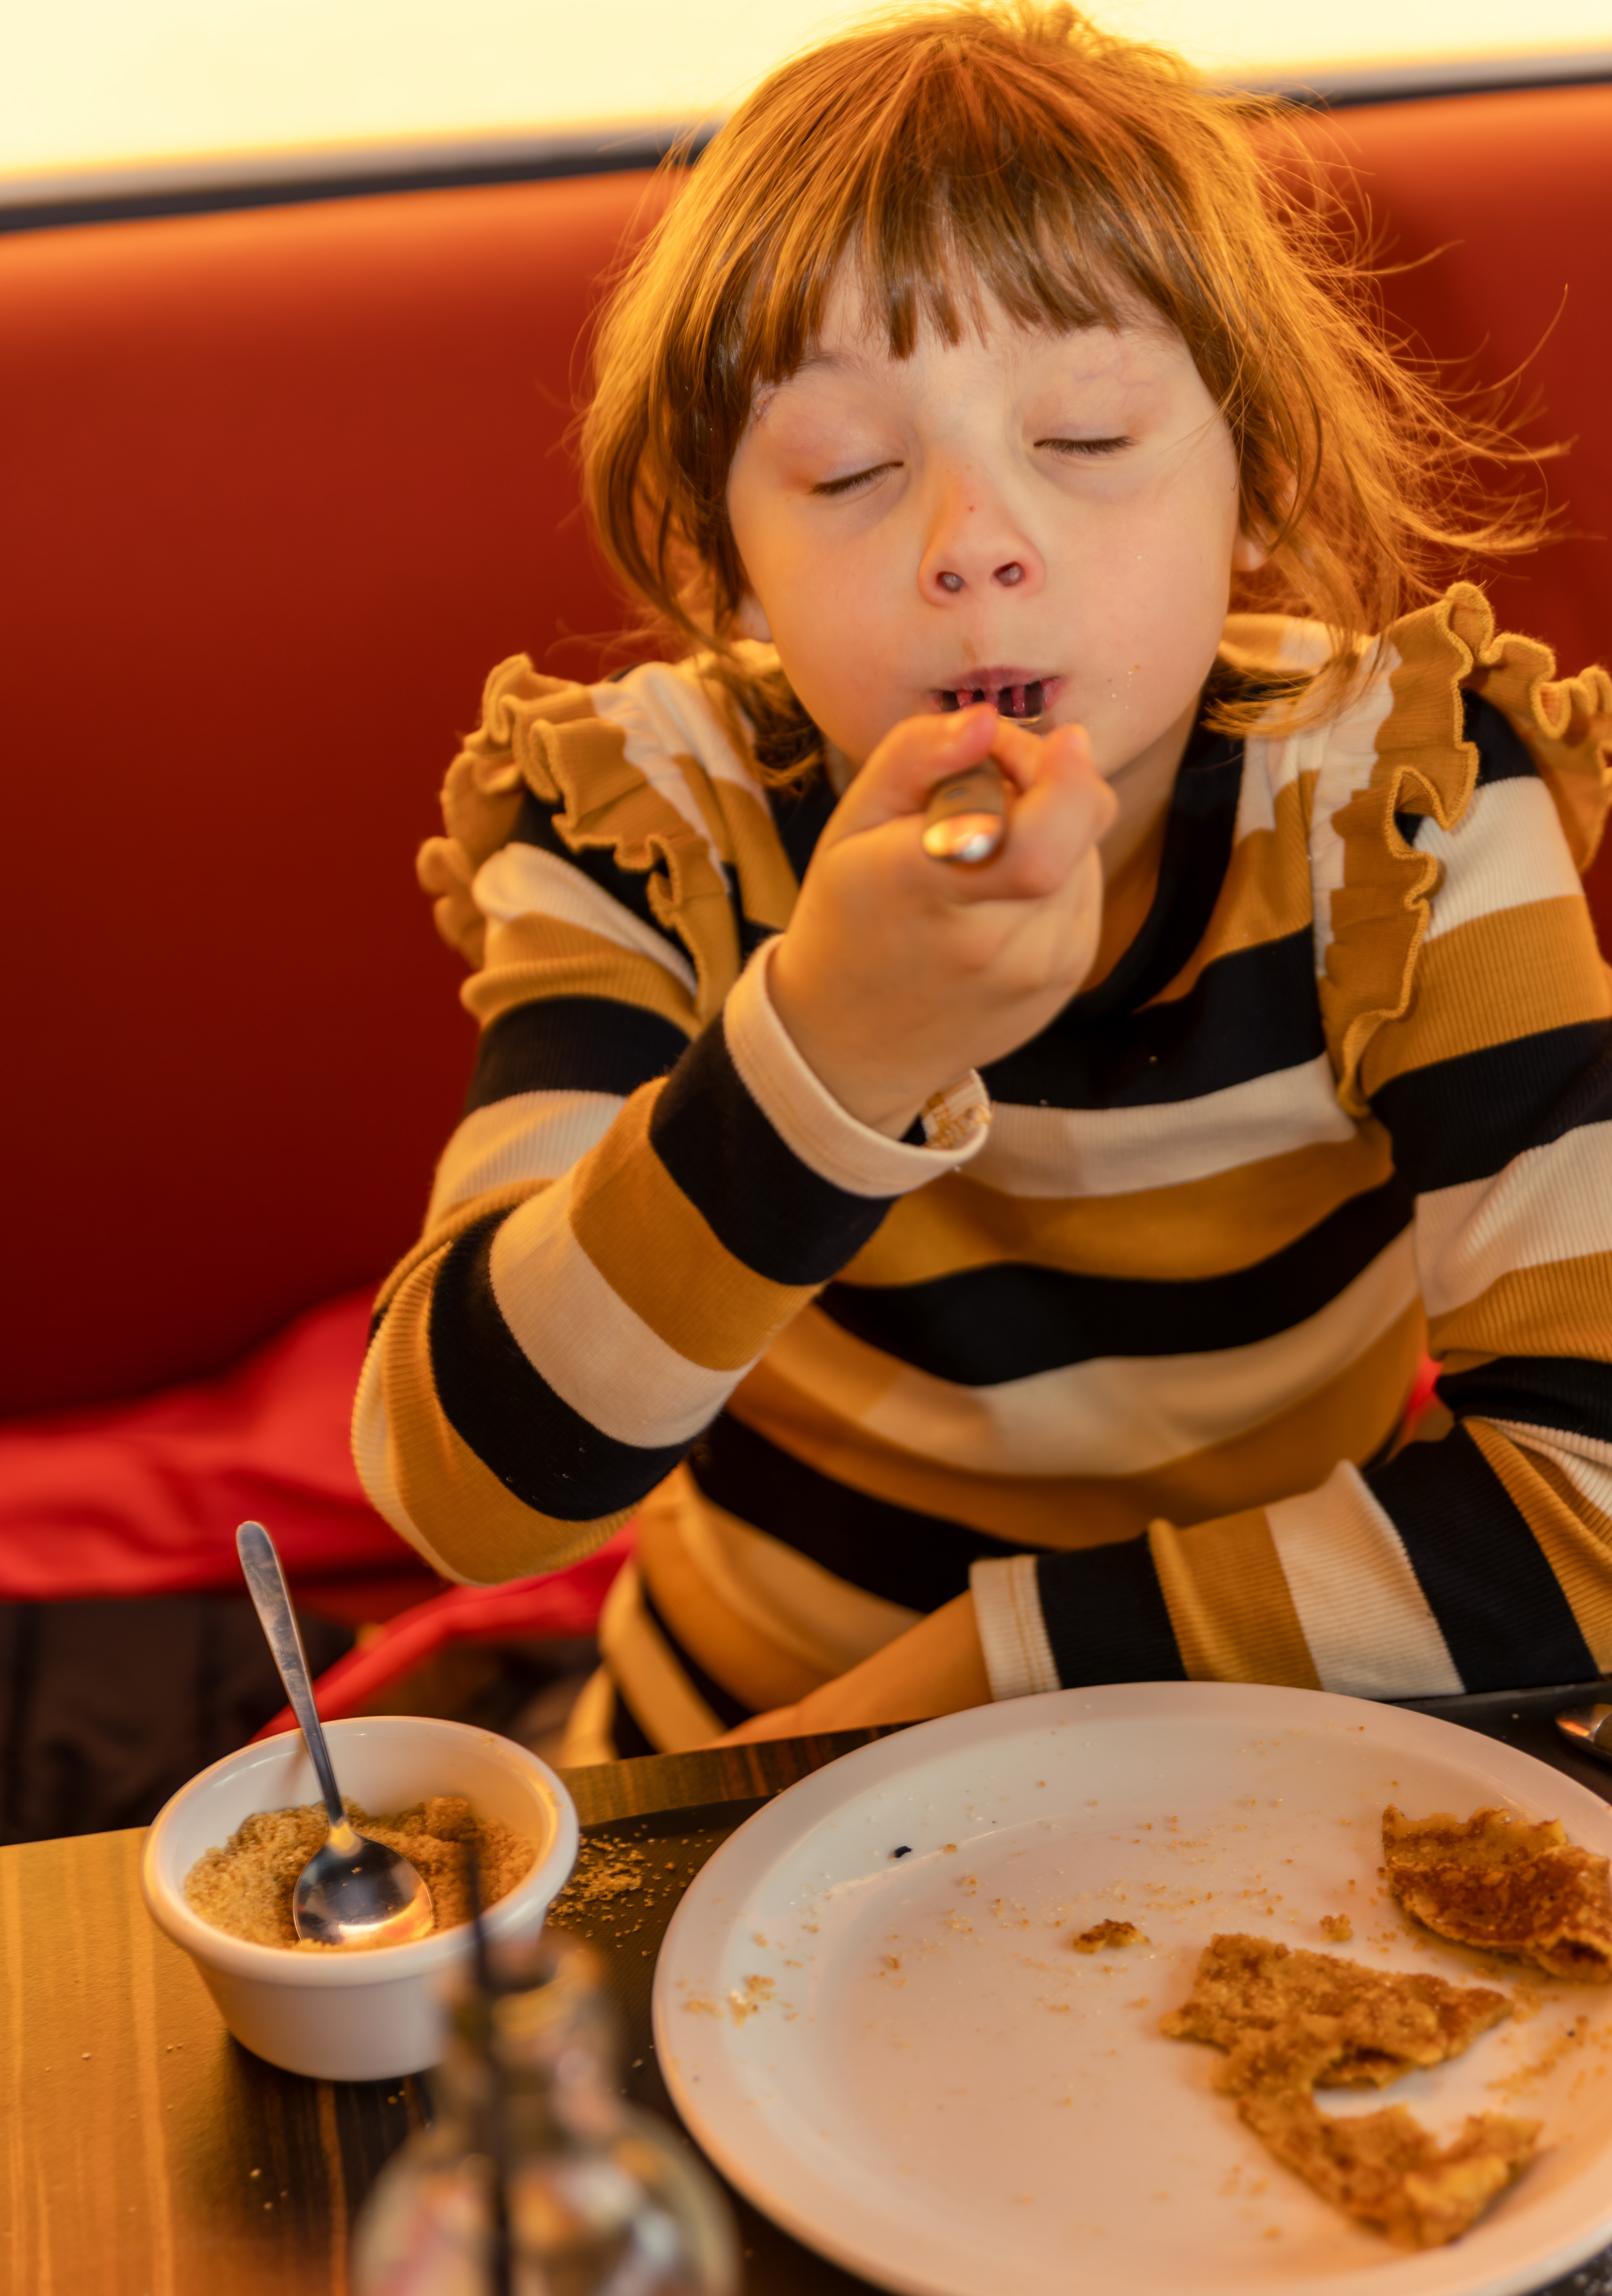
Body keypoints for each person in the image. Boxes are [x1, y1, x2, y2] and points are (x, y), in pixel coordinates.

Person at [355, 3, 1612, 1760]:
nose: (975, 546)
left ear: (1256, 488)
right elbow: (464, 1490)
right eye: (850, 471)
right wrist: (827, 1053)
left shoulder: (1398, 806)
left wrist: (974, 1680)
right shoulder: (651, 824)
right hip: (721, 1761)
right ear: (730, 570)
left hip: (1240, 1753)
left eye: (1084, 439)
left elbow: (1591, 1499)